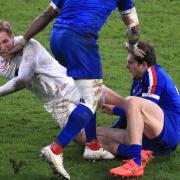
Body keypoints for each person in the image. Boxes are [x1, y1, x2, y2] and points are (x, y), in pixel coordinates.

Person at [2, 1, 145, 165]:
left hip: (57, 38)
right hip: (80, 39)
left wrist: (24, 40)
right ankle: (55, 149)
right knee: (93, 97)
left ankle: (92, 146)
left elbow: (47, 14)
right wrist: (133, 45)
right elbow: (133, 28)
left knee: (89, 92)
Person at [0, 20, 115, 180]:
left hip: (69, 83)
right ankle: (92, 146)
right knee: (80, 136)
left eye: (5, 41)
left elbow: (23, 79)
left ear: (12, 37)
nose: (2, 46)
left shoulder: (28, 45)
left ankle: (137, 143)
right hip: (55, 104)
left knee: (113, 101)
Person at [74, 41, 180, 178]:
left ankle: (135, 162)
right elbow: (133, 113)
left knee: (131, 101)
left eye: (130, 62)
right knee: (81, 135)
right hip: (144, 137)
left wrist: (116, 110)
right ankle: (139, 153)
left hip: (167, 134)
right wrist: (115, 130)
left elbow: (139, 109)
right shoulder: (138, 79)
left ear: (144, 65)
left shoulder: (154, 74)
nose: (126, 66)